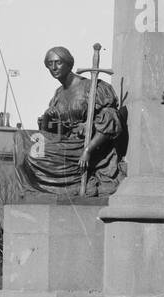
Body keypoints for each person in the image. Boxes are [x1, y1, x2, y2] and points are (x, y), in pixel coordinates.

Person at [18, 47, 126, 197]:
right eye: (50, 64)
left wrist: (88, 150)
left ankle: (63, 187)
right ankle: (36, 189)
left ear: (69, 64)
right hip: (66, 143)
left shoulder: (94, 87)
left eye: (58, 62)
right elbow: (49, 134)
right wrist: (48, 119)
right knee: (23, 141)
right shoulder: (58, 93)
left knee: (33, 155)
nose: (54, 67)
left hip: (86, 145)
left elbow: (110, 119)